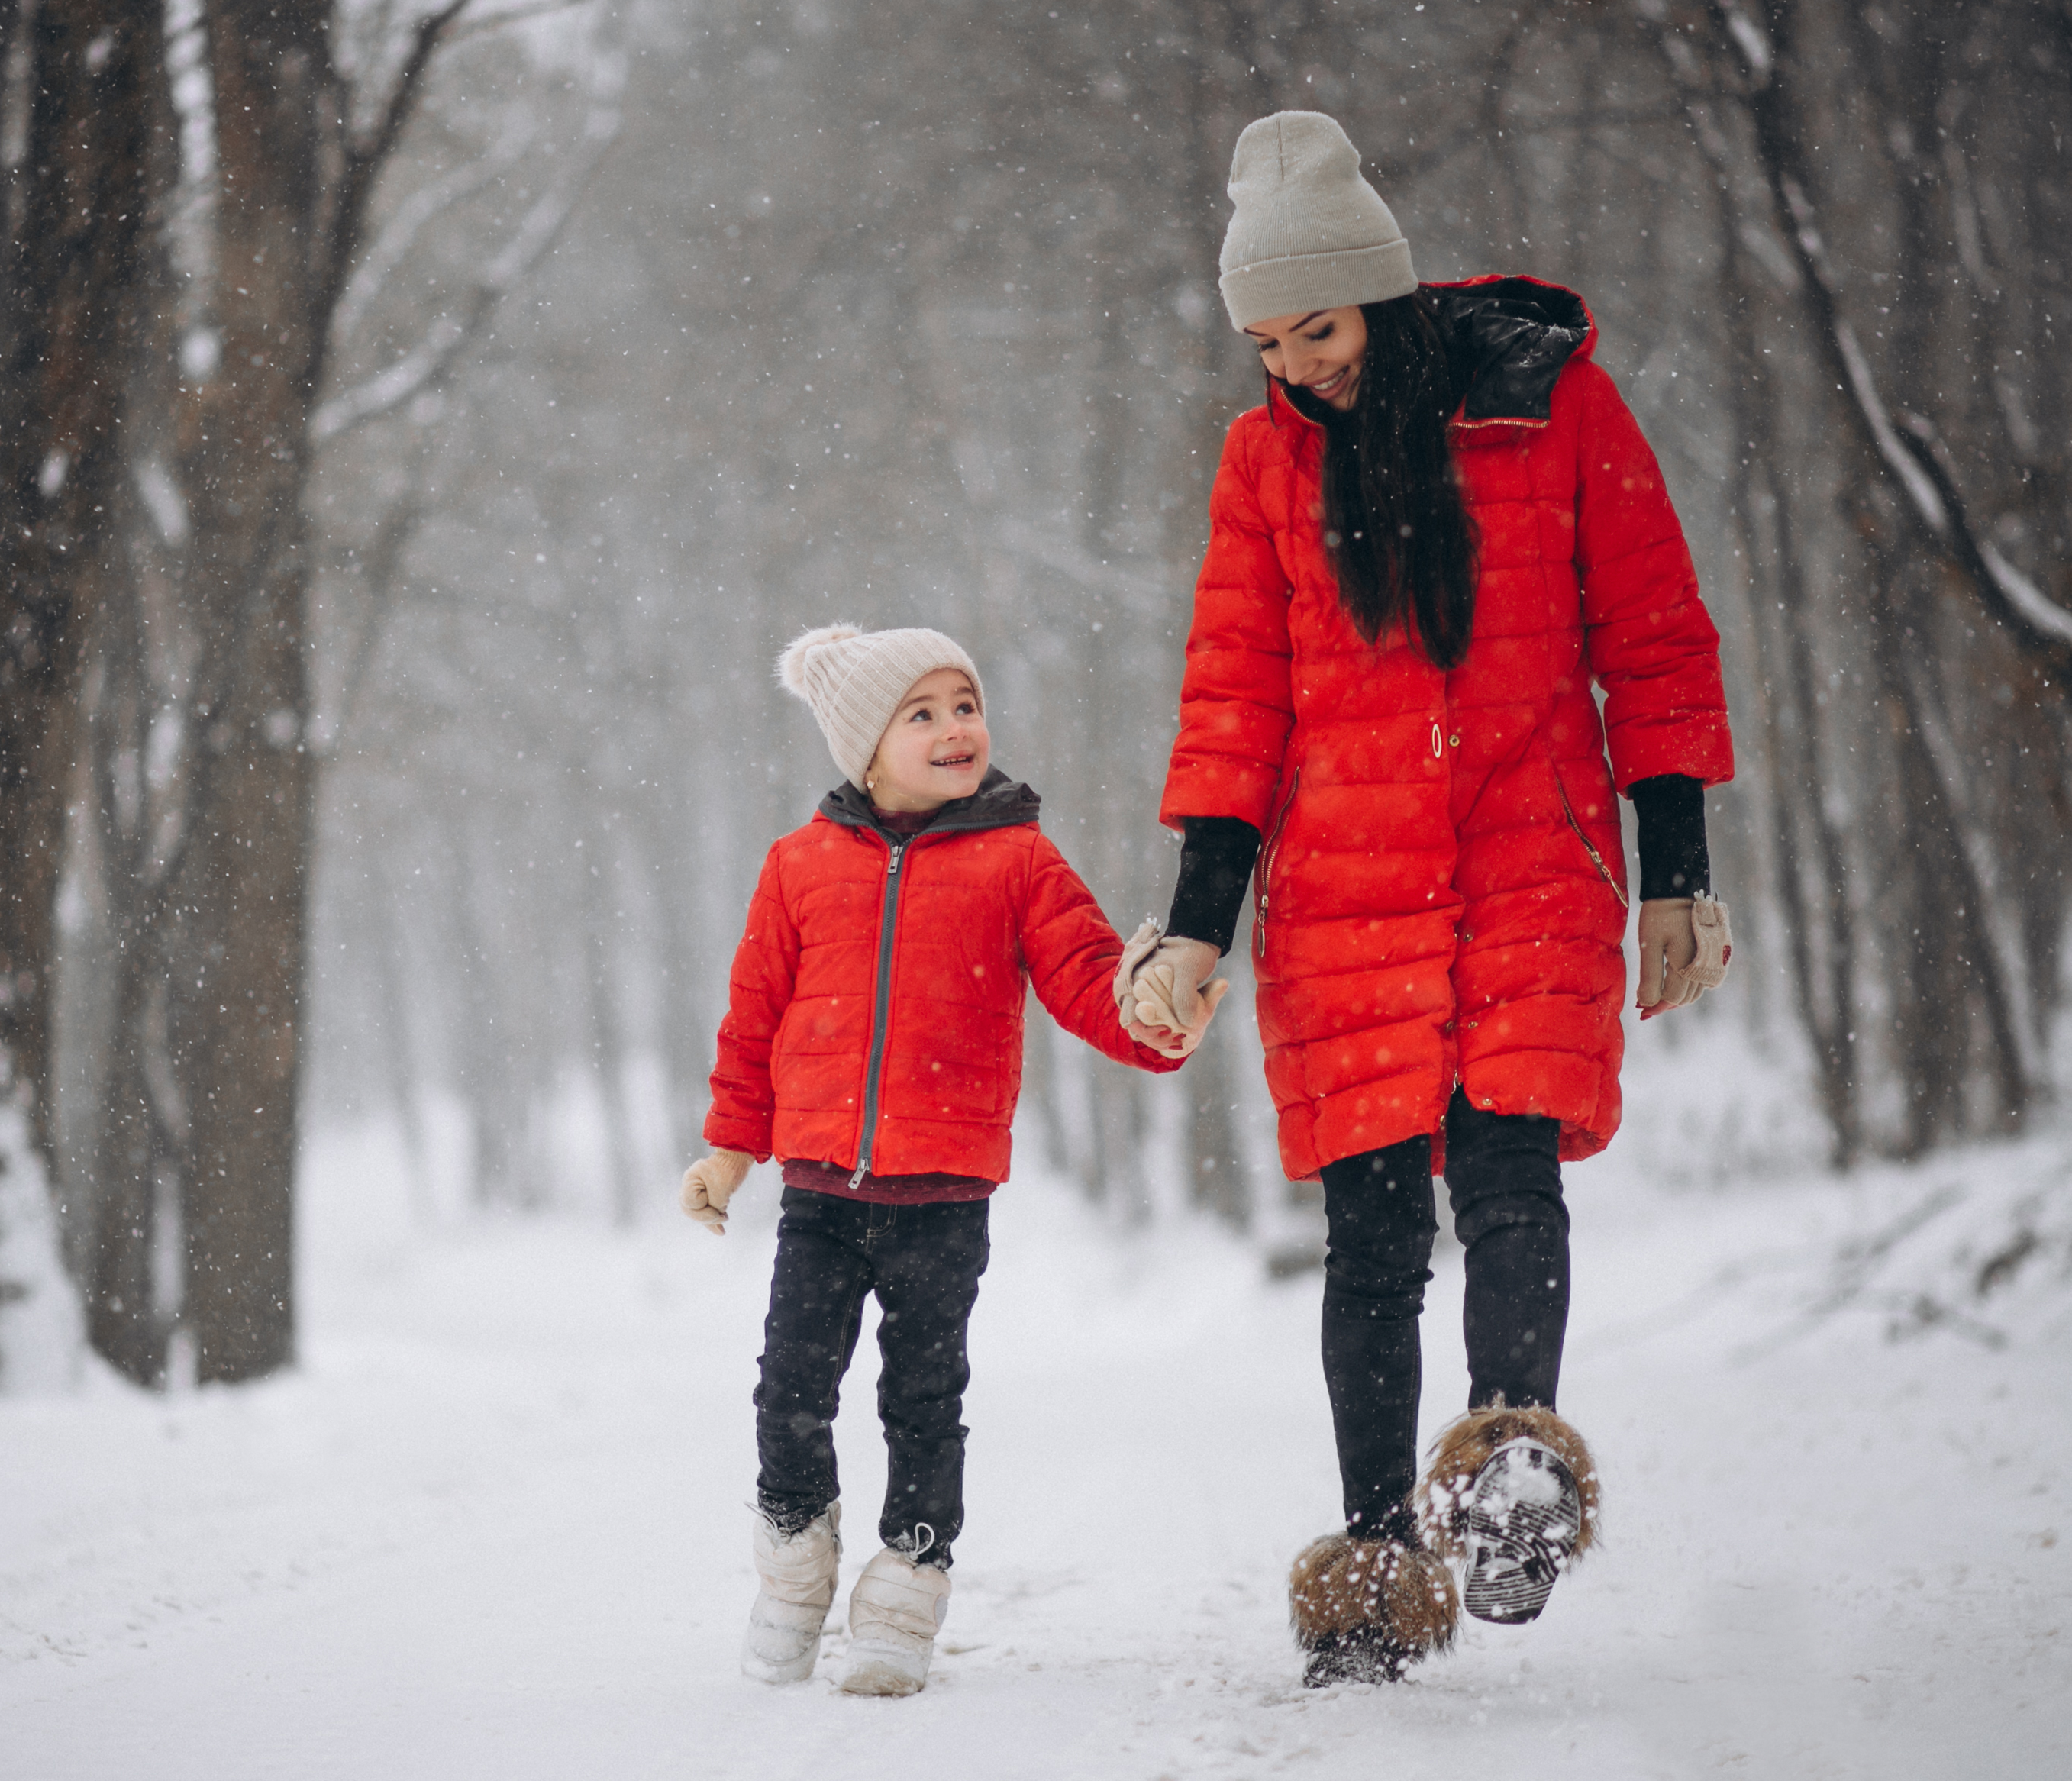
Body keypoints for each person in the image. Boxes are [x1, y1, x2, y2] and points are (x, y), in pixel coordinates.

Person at [1118, 111, 1736, 1687]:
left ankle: (1514, 1476)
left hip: (1531, 850)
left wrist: (1678, 874)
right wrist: (1197, 917)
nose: (1297, 364)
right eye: (1265, 339)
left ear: (1381, 298)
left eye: (1316, 328)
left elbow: (1653, 641)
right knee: (1373, 1236)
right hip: (1340, 889)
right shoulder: (1263, 462)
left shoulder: (1552, 407)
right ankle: (1375, 1560)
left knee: (1512, 1172)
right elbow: (1233, 698)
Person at [679, 623, 1185, 1696]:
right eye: (924, 712)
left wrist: (1153, 1014)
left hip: (944, 1192)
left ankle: (907, 1585)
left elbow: (1089, 978)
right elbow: (752, 1018)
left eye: (966, 703)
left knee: (922, 1396)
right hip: (819, 1187)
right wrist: (731, 1148)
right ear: (865, 747)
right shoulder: (798, 866)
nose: (958, 727)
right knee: (789, 1392)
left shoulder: (1018, 860)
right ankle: (793, 1570)